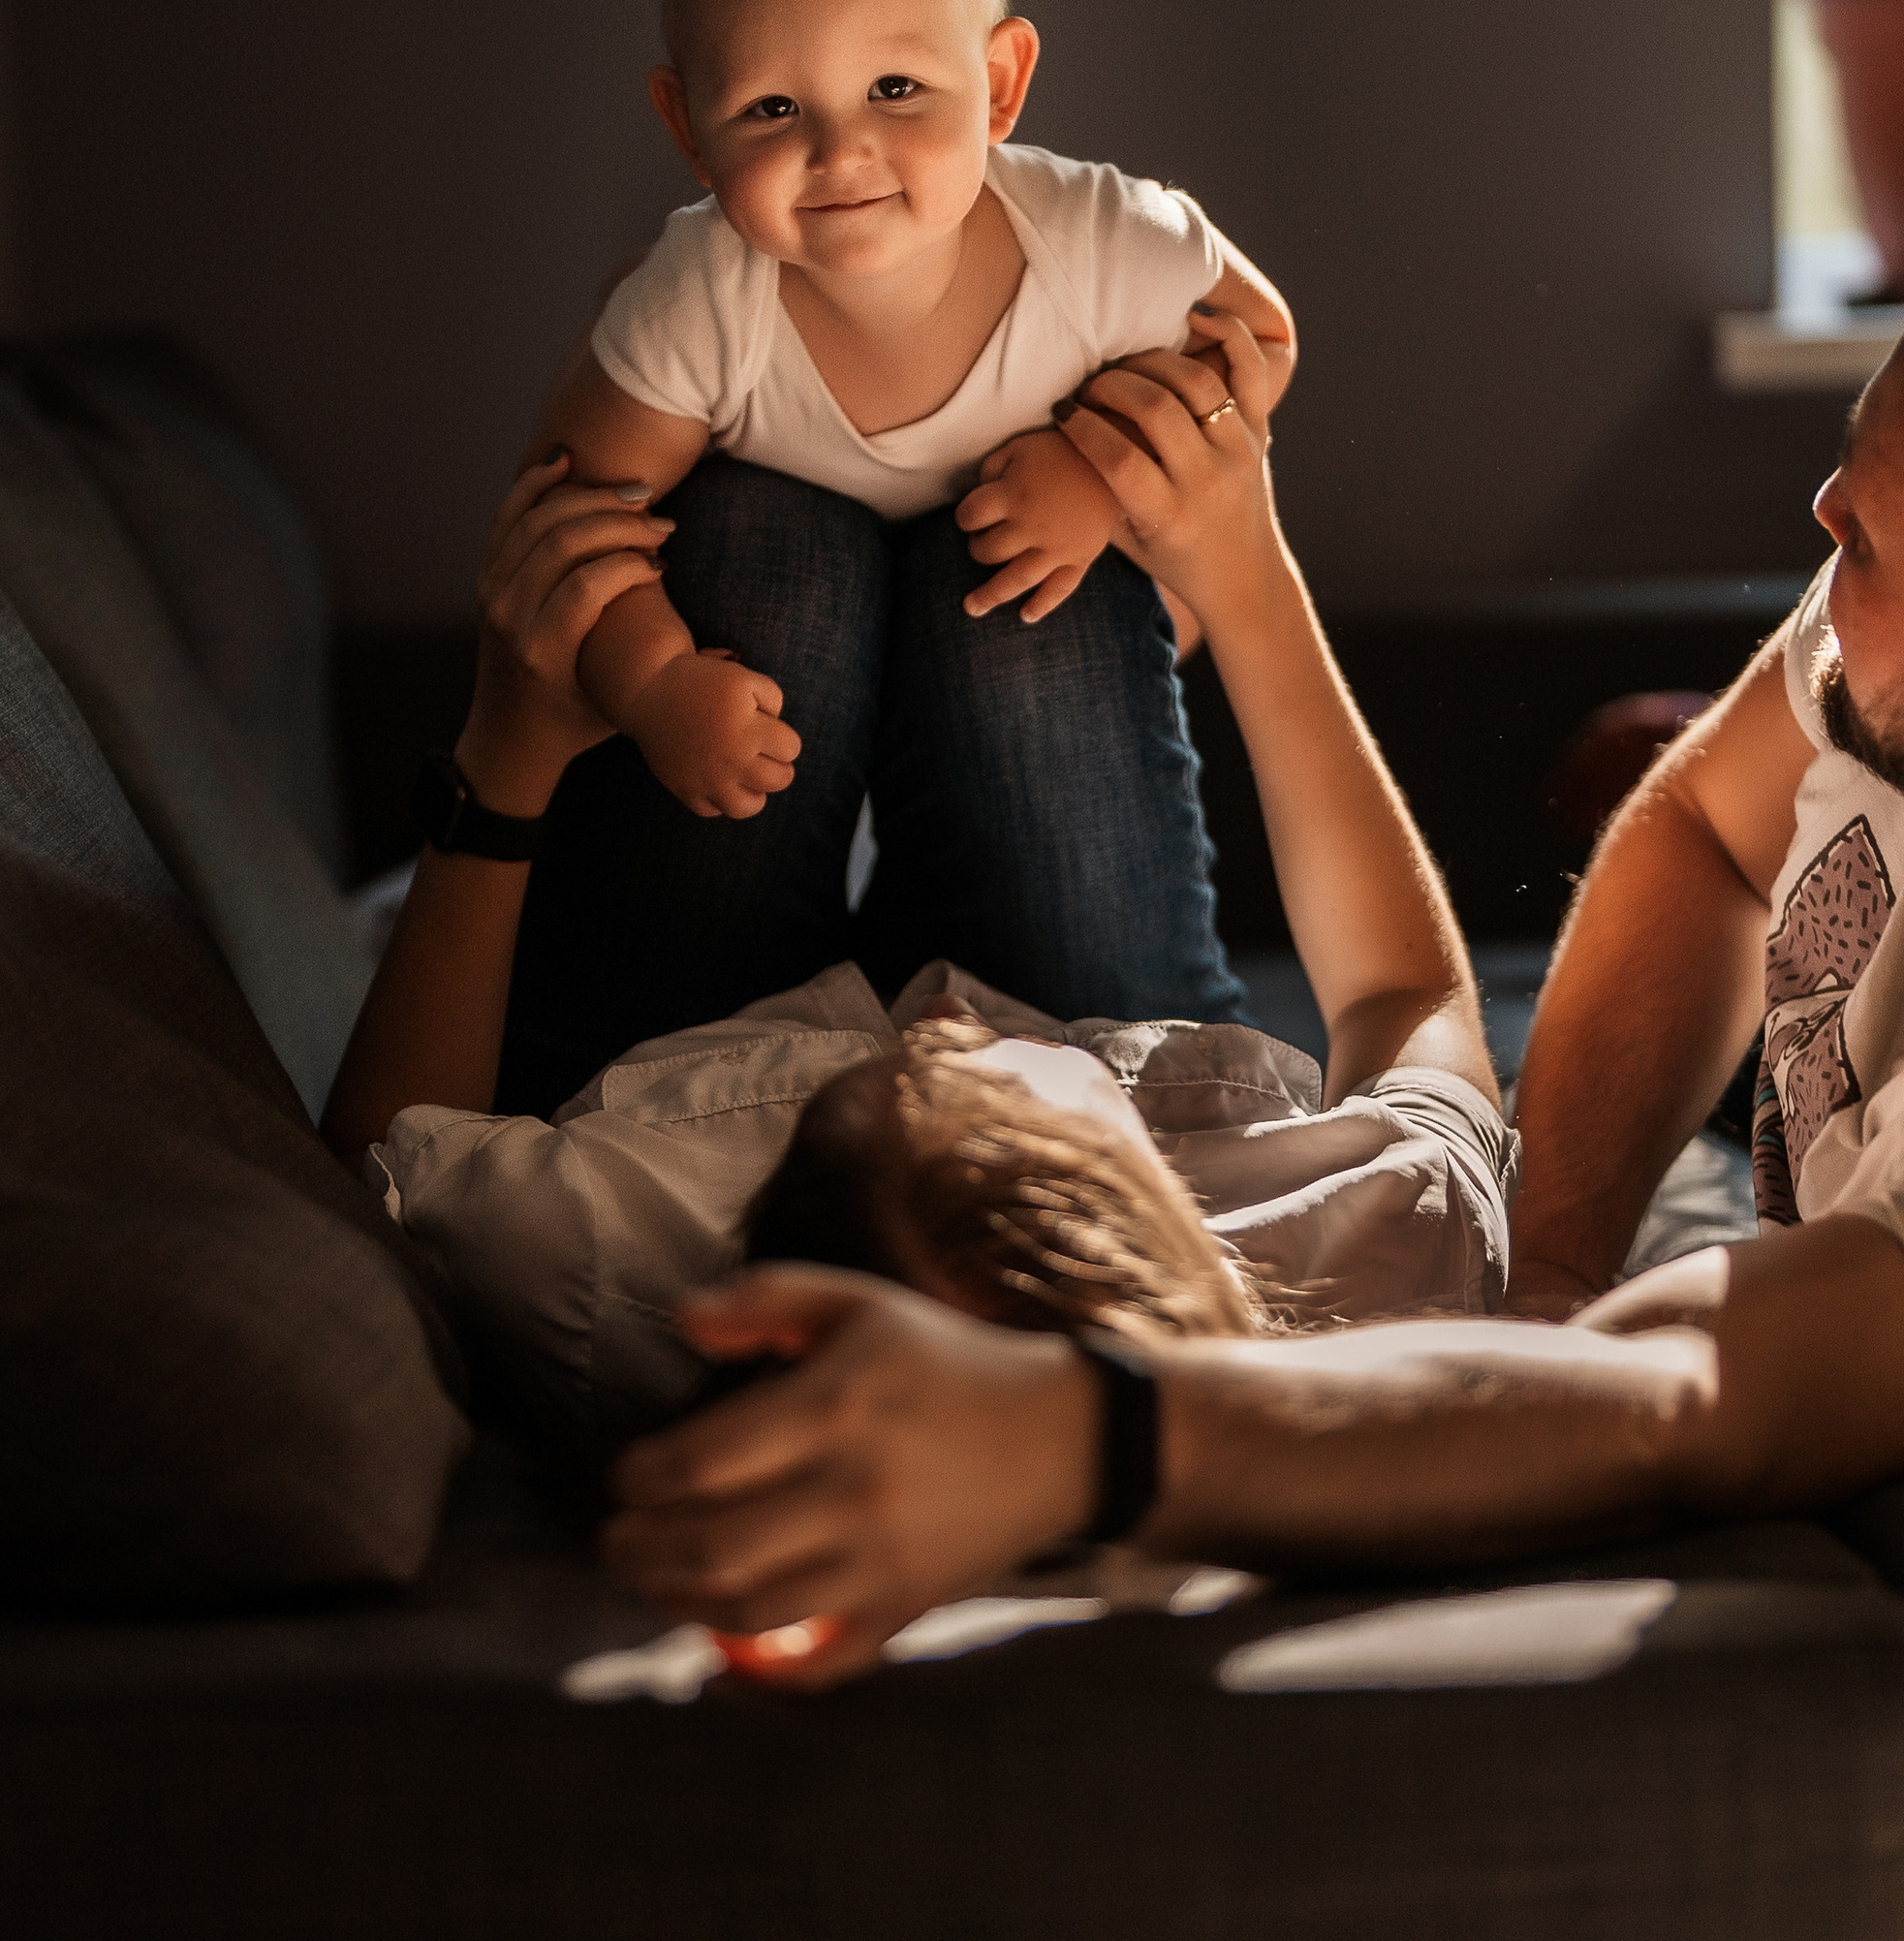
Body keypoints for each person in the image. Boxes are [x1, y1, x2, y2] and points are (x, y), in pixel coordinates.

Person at [596, 194, 1904, 1683]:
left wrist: (1063, 1434)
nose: (1818, 522)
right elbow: (1702, 835)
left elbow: (1685, 1403)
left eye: (1867, 535)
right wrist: (1552, 1256)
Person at [325, 312, 1511, 1461]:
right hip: (1084, 993)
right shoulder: (1364, 1245)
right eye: (997, 1069)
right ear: (1140, 1169)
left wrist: (510, 746)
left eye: (907, 1076)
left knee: (765, 541)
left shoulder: (608, 1254)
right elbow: (1407, 994)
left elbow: (376, 1160)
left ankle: (741, 339)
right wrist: (1245, 573)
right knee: (1026, 584)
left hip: (676, 1053)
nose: (937, 1025)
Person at [494, 0, 1295, 1106]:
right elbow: (571, 527)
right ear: (690, 132)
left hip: (1034, 734)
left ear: (999, 86)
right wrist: (650, 681)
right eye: (772, 106)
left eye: (896, 89)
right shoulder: (701, 298)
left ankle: (1133, 1066)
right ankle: (676, 1065)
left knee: (1031, 590)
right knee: (759, 539)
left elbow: (1262, 338)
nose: (839, 149)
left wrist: (1100, 474)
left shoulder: (1097, 240)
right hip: (759, 778)